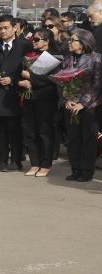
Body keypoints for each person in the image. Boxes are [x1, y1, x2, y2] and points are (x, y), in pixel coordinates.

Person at [0, 15, 32, 172]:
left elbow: (30, 69)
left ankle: (16, 160)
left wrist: (13, 79)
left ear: (15, 28)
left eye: (6, 28)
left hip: (15, 93)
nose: (3, 31)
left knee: (15, 129)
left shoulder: (25, 46)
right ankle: (1, 160)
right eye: (0, 28)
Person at [19, 28, 61, 177]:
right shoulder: (29, 55)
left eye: (37, 40)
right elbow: (20, 73)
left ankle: (45, 164)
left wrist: (30, 77)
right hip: (29, 97)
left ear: (47, 41)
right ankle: (34, 163)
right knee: (30, 131)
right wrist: (22, 81)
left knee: (44, 131)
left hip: (46, 99)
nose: (34, 42)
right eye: (33, 39)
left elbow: (53, 79)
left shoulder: (55, 57)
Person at [59, 29, 100, 182]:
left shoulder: (96, 59)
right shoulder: (68, 59)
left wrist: (83, 103)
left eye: (73, 40)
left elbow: (97, 85)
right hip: (70, 105)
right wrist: (66, 99)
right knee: (73, 138)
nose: (70, 42)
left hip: (89, 107)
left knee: (88, 139)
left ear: (83, 42)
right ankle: (75, 169)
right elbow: (63, 81)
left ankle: (86, 171)